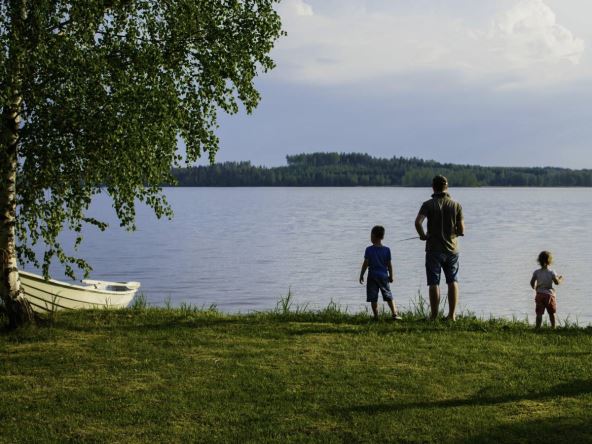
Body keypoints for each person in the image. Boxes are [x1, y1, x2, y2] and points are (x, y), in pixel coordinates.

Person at [414, 175, 464, 321]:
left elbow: (418, 222)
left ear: (433, 187)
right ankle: (452, 315)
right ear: (446, 187)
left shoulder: (428, 204)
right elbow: (462, 230)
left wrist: (423, 235)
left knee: (433, 282)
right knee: (452, 281)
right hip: (452, 249)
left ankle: (434, 316)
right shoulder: (456, 205)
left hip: (433, 249)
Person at [359, 225, 402, 321]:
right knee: (388, 294)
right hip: (383, 275)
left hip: (372, 276)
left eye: (371, 235)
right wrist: (391, 276)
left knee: (373, 297)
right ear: (382, 237)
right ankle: (395, 313)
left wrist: (361, 274)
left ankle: (376, 316)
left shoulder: (369, 249)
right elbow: (389, 265)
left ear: (373, 236)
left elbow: (366, 263)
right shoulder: (387, 250)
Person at [530, 251, 563, 329]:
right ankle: (553, 327)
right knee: (552, 313)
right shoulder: (552, 272)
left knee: (539, 313)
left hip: (539, 294)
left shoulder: (536, 272)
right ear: (550, 261)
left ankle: (537, 327)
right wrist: (560, 279)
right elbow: (556, 282)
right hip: (549, 295)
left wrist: (535, 288)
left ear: (539, 261)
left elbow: (532, 282)